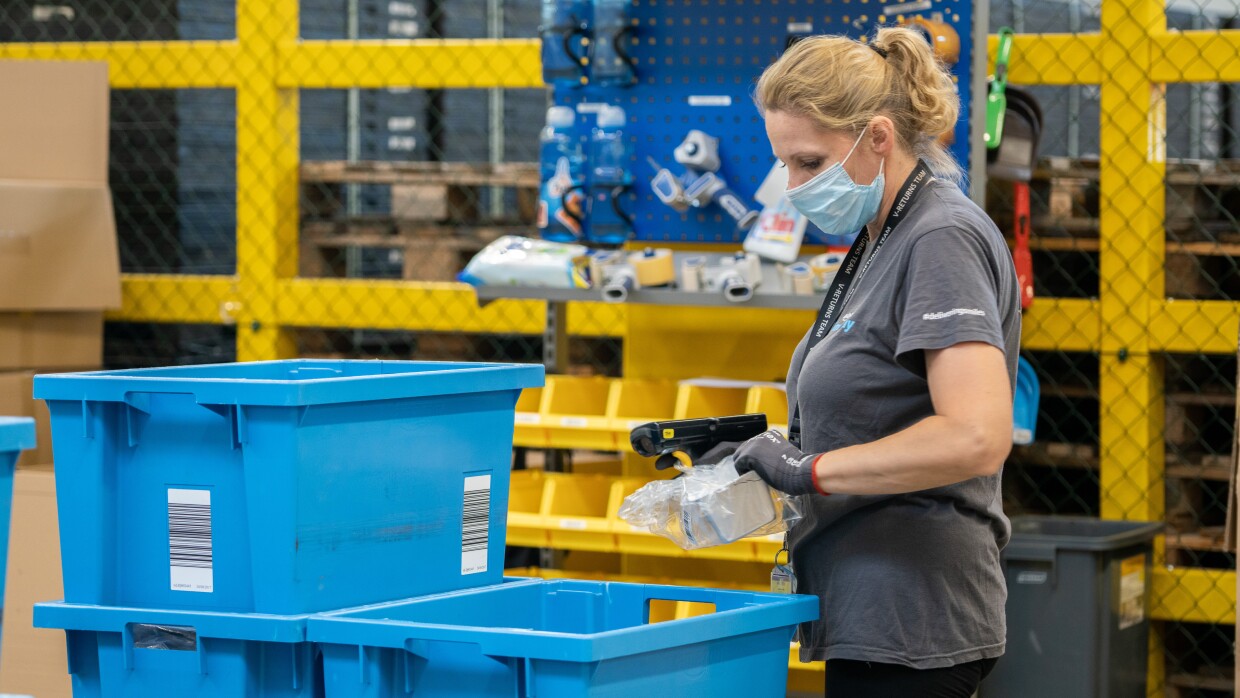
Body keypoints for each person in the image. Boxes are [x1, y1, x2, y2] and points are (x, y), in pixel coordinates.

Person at [728, 27, 1021, 698]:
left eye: (808, 162)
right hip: (870, 609)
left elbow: (975, 435)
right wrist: (771, 446)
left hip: (914, 618)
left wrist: (810, 470)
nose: (793, 185)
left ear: (878, 139)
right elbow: (878, 402)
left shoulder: (939, 236)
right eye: (786, 164)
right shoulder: (878, 237)